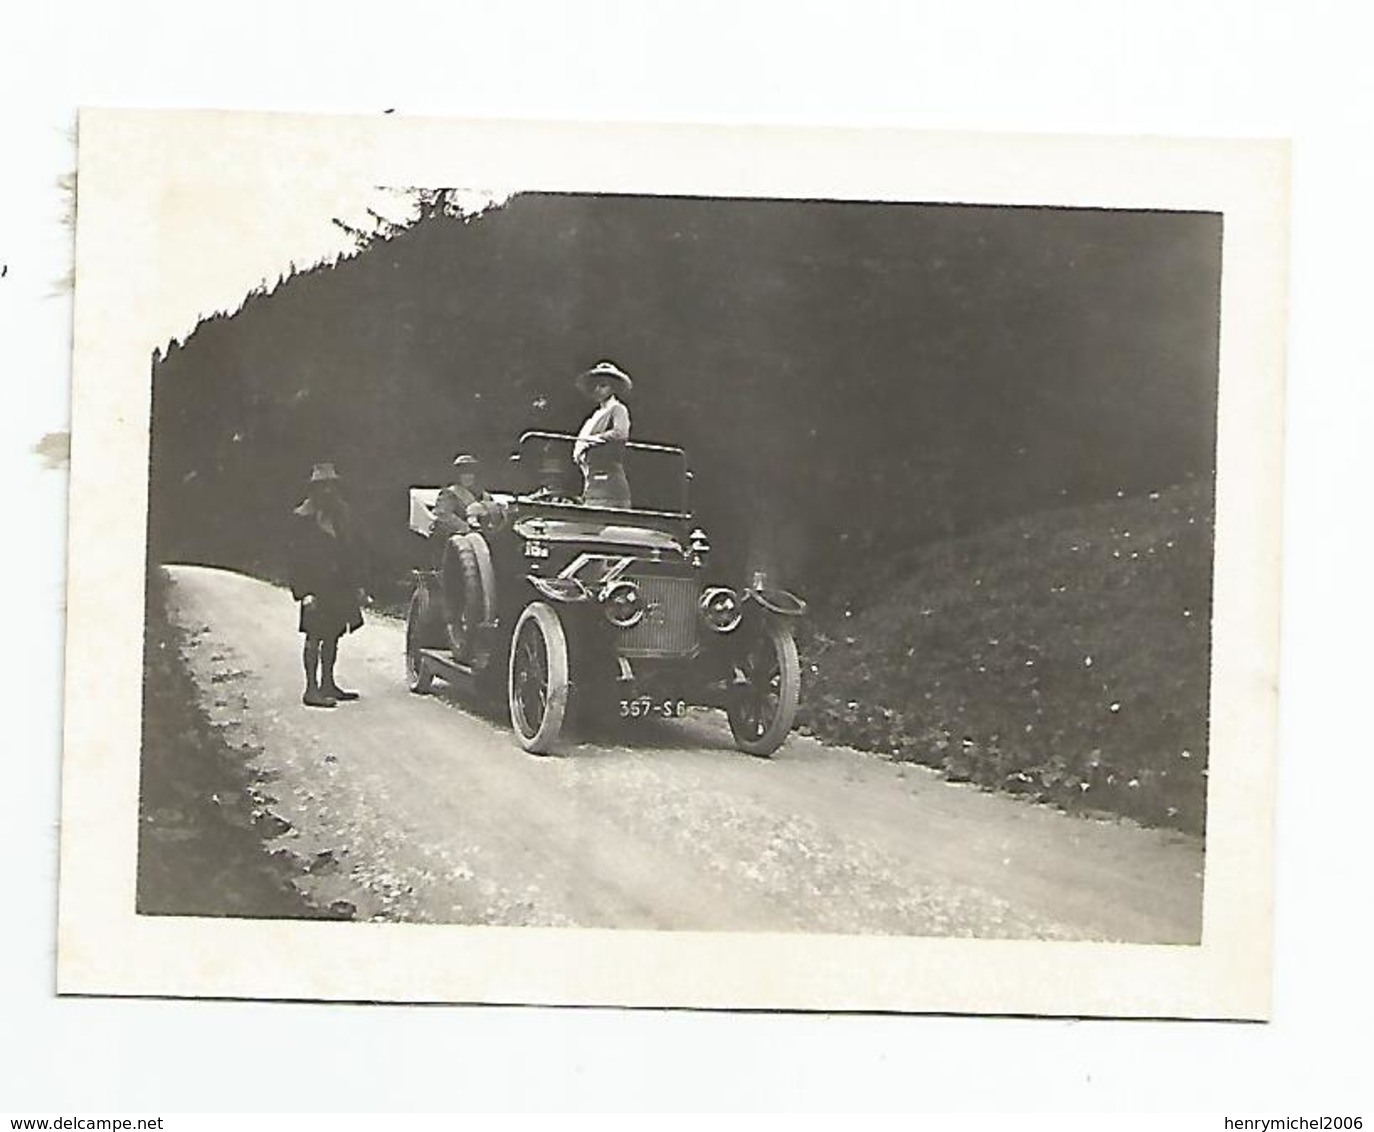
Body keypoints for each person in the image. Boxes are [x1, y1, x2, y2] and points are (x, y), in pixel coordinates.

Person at [289, 463, 366, 708]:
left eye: (331, 485)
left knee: (333, 634)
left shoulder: (341, 515)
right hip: (315, 585)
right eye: (323, 486)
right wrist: (304, 592)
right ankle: (310, 689)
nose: (328, 490)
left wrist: (357, 586)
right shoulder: (303, 517)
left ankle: (328, 683)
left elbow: (351, 551)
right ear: (314, 488)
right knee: (314, 635)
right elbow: (295, 558)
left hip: (338, 585)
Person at [572, 360, 633, 508]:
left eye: (603, 385)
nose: (598, 389)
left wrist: (592, 440)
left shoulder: (618, 409)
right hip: (592, 479)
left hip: (608, 481)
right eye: (595, 386)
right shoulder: (596, 415)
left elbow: (620, 433)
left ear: (613, 389)